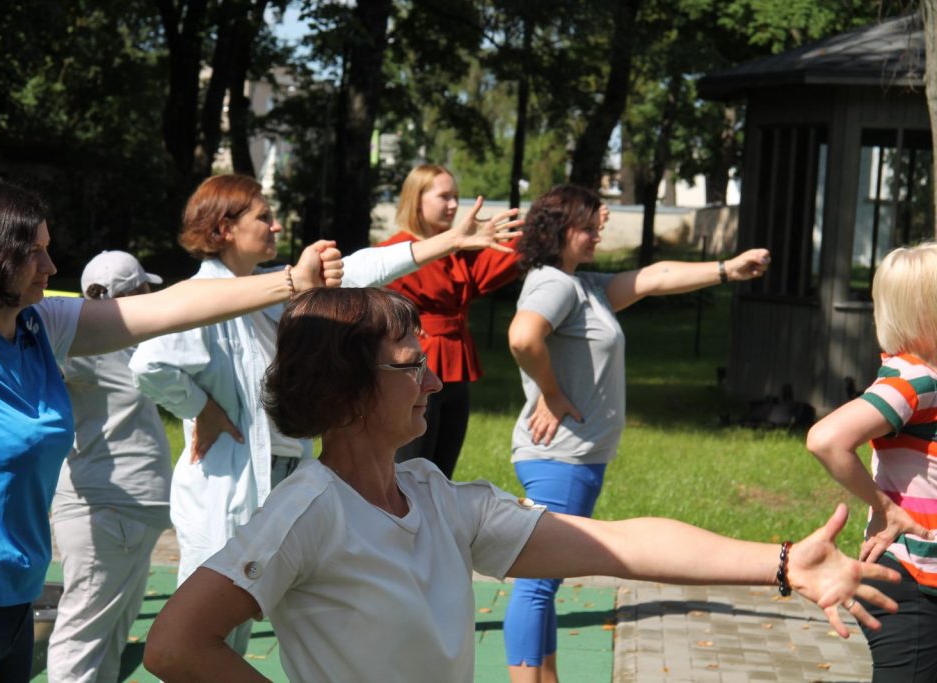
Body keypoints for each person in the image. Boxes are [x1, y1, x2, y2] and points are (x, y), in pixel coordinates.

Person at [142, 287, 899, 683]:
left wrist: (782, 562)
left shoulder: (434, 495)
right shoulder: (307, 509)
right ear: (345, 387)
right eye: (411, 364)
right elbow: (175, 645)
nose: (434, 381)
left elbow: (615, 544)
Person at [0, 176, 342, 683]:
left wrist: (293, 281)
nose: (50, 267)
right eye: (34, 253)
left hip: (16, 590)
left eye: (48, 249)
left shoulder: (40, 325)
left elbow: (169, 308)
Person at [128, 173, 521, 655]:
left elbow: (359, 270)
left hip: (281, 481)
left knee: (261, 629)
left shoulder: (270, 289)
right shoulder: (203, 295)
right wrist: (200, 408)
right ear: (224, 228)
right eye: (264, 217)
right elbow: (148, 363)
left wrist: (448, 242)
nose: (276, 226)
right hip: (225, 488)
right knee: (208, 635)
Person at [503, 184, 771, 682]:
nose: (596, 235)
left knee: (547, 579)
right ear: (558, 230)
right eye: (586, 228)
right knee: (538, 582)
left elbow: (654, 277)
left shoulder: (582, 285)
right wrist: (551, 393)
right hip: (561, 458)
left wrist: (727, 270)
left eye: (596, 226)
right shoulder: (555, 285)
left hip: (573, 458)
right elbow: (522, 337)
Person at [806, 242, 937, 682]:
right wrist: (885, 508)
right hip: (913, 580)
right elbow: (826, 439)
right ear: (925, 314)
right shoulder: (914, 379)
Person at [45, 251, 171, 683]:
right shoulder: (80, 348)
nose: (151, 295)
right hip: (104, 509)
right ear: (133, 293)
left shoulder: (129, 346)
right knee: (80, 641)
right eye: (145, 288)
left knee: (110, 640)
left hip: (130, 513)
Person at [379, 163, 523, 478]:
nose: (454, 204)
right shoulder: (392, 254)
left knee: (441, 476)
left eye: (456, 196)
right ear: (417, 199)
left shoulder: (459, 253)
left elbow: (505, 259)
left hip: (455, 367)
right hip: (415, 369)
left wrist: (544, 224)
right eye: (444, 196)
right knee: (409, 472)